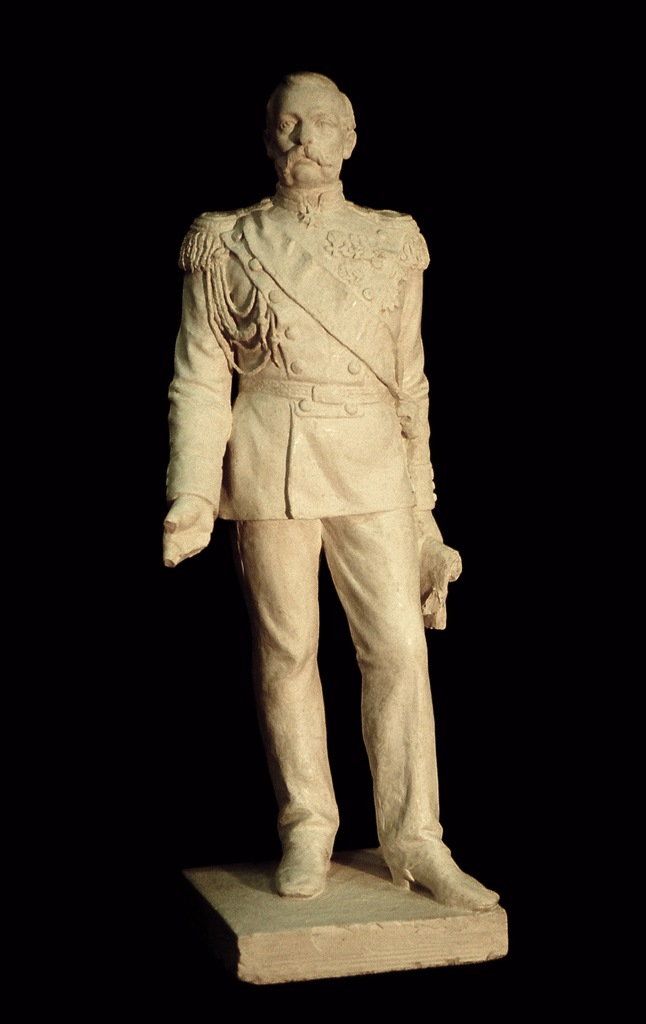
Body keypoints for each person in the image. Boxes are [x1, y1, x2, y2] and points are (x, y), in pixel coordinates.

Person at [163, 71, 498, 910]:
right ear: (267, 137)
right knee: (287, 652)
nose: (302, 137)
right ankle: (307, 825)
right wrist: (193, 493)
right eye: (287, 123)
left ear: (350, 139)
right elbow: (200, 376)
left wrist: (426, 514)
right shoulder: (226, 241)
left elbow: (411, 384)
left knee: (400, 650)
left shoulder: (393, 241)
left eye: (319, 124)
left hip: (372, 460)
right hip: (270, 454)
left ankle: (417, 839)